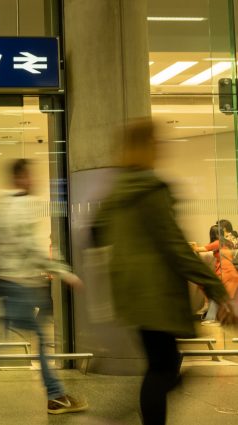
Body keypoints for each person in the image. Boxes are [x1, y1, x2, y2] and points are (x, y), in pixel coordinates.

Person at [92, 118, 233, 425]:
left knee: (163, 365)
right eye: (157, 141)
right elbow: (175, 247)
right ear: (148, 146)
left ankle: (113, 418)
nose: (161, 146)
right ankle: (110, 418)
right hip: (156, 295)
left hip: (130, 293)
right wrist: (216, 288)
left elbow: (95, 233)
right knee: (163, 370)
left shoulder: (117, 191)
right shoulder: (152, 189)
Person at [0, 159, 87, 420]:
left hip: (11, 283)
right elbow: (29, 249)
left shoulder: (1, 204)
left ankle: (55, 395)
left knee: (23, 339)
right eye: (29, 176)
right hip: (20, 285)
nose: (33, 180)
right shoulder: (20, 206)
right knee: (9, 341)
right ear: (20, 177)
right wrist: (63, 272)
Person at [191, 222, 238, 325]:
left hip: (223, 271)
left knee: (215, 294)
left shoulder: (217, 242)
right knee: (227, 297)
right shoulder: (228, 243)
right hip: (231, 272)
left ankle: (212, 318)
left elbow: (198, 250)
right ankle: (218, 318)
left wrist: (193, 245)